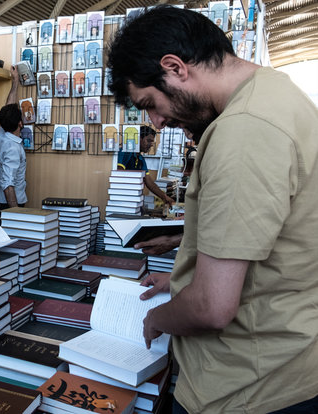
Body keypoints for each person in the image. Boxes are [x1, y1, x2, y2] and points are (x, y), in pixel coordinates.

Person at [108, 6, 318, 414]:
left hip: (247, 386)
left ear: (175, 68)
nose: (158, 121)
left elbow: (212, 307)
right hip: (290, 357)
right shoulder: (279, 94)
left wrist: (159, 319)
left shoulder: (243, 131)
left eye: (150, 102)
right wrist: (185, 272)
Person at [0, 66, 27, 227]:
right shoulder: (12, 148)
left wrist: (15, 82)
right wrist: (16, 215)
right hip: (11, 206)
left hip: (1, 205)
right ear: (20, 123)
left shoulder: (2, 135)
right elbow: (8, 184)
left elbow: (8, 108)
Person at [118, 125, 175, 207]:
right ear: (139, 139)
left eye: (152, 142)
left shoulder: (141, 158)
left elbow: (149, 181)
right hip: (122, 199)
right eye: (148, 141)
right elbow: (119, 176)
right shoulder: (125, 152)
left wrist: (165, 197)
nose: (151, 145)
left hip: (133, 200)